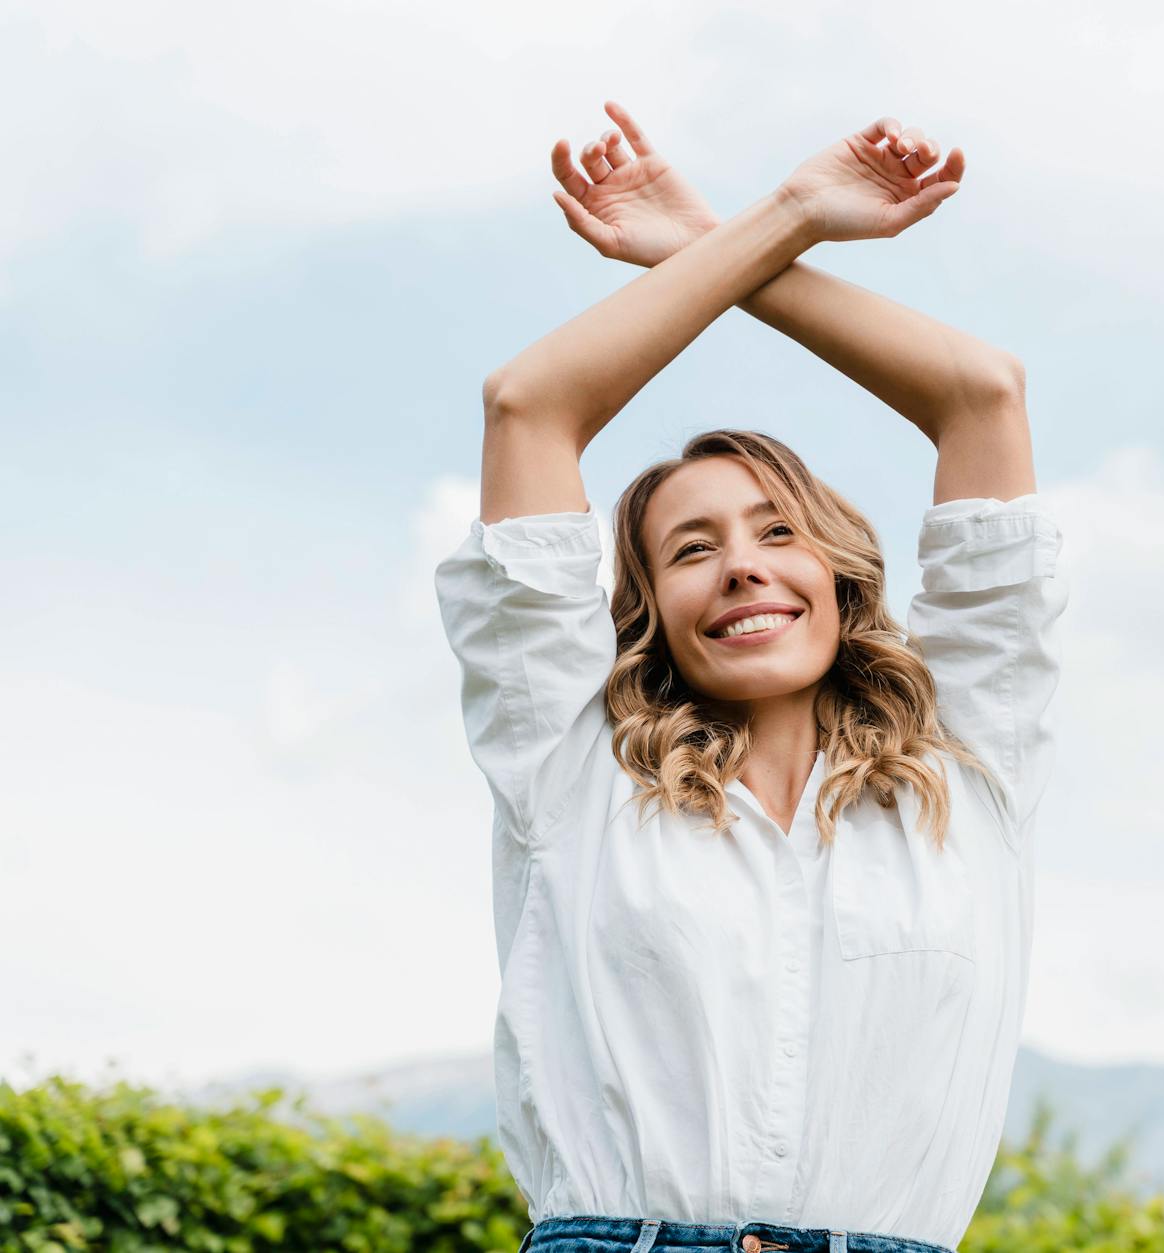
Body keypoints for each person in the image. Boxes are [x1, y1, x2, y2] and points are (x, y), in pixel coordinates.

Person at [433, 102, 1068, 1253]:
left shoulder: (972, 761)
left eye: (777, 532)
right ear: (651, 612)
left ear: (834, 570)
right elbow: (528, 404)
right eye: (690, 547)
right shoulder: (567, 766)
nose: (739, 566)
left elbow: (980, 393)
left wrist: (713, 249)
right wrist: (787, 215)